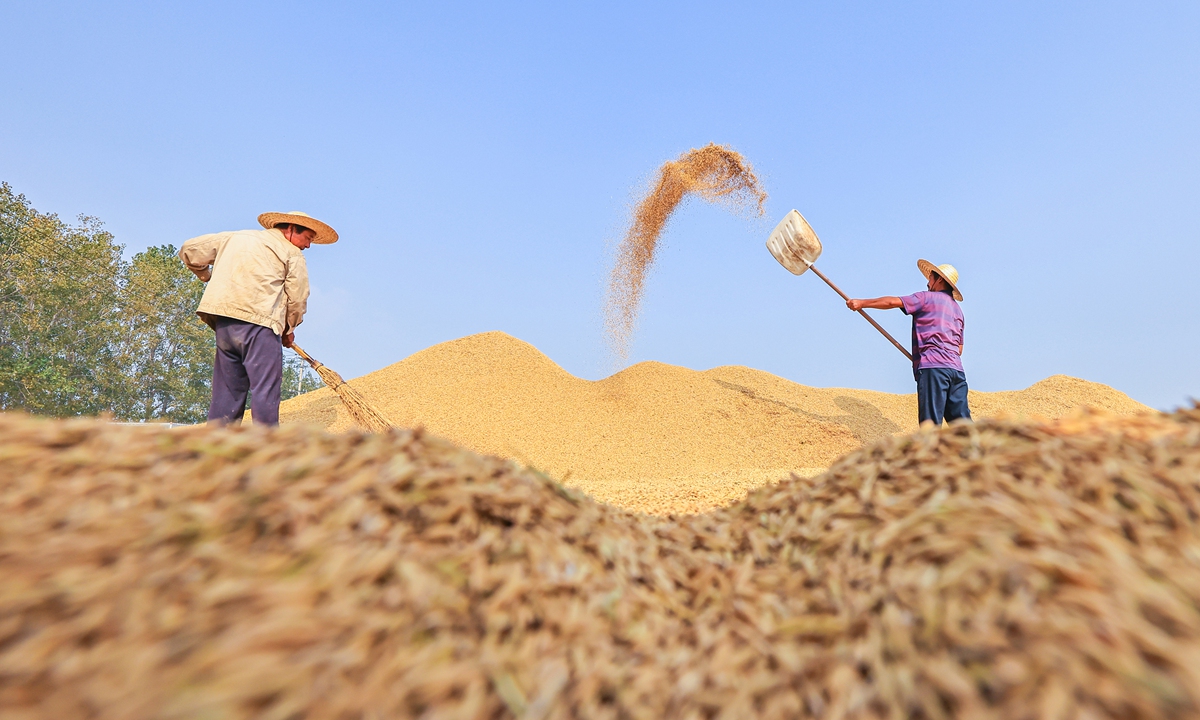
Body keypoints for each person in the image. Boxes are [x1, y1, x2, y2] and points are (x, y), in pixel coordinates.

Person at [178, 211, 338, 426]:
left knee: (227, 391)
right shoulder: (291, 253)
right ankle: (265, 448)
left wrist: (206, 276)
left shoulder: (235, 237)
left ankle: (216, 447)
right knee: (266, 389)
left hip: (225, 324)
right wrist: (288, 329)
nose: (308, 245)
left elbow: (189, 249)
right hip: (260, 325)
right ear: (290, 229)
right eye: (308, 238)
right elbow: (298, 297)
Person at [846, 260, 970, 426]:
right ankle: (978, 451)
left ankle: (928, 451)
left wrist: (862, 303)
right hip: (956, 371)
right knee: (963, 427)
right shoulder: (958, 311)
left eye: (930, 278)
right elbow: (959, 349)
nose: (928, 282)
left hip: (933, 367)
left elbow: (892, 302)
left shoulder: (926, 298)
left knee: (930, 426)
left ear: (939, 279)